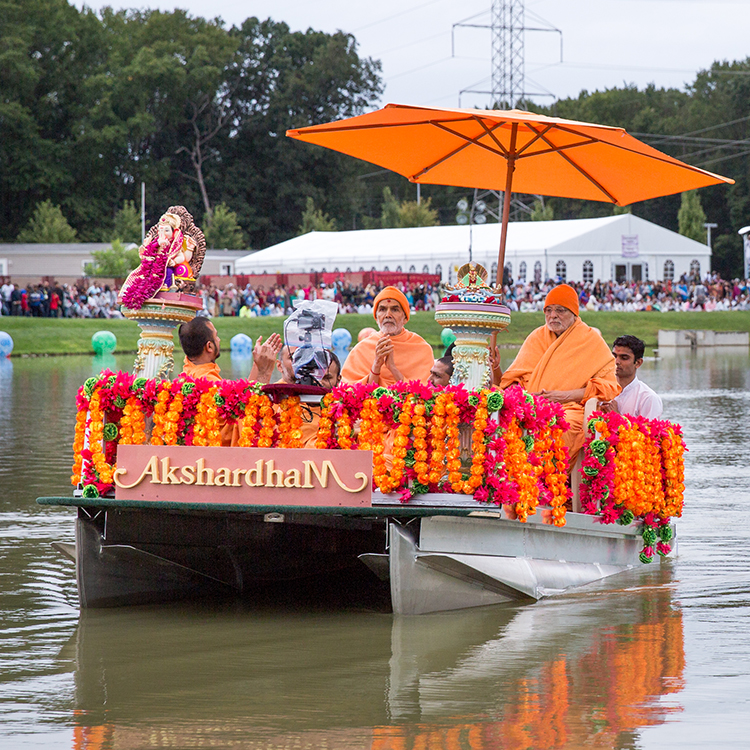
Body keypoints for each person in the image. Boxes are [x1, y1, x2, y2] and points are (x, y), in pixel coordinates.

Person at [499, 283, 620, 464]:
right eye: (548, 310)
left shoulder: (591, 340)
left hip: (571, 408)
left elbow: (608, 387)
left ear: (574, 313)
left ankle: (549, 480)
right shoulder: (537, 336)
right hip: (530, 404)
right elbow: (514, 379)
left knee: (563, 426)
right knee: (499, 416)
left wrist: (563, 397)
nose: (552, 315)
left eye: (560, 310)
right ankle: (509, 480)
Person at [178, 317, 282, 444]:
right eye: (216, 336)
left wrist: (257, 364)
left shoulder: (188, 371)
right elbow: (246, 413)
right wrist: (265, 371)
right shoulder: (210, 383)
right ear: (209, 346)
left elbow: (243, 400)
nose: (219, 339)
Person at [340, 286, 433, 386]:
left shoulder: (421, 348)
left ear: (405, 318)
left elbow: (425, 394)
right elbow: (349, 392)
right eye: (382, 309)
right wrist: (376, 366)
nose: (388, 315)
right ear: (376, 318)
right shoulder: (361, 349)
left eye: (395, 309)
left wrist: (392, 368)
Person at [599, 335, 663, 419]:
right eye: (614, 356)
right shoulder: (600, 389)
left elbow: (649, 431)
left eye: (624, 358)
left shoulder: (648, 398)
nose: (616, 362)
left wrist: (617, 416)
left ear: (638, 363)